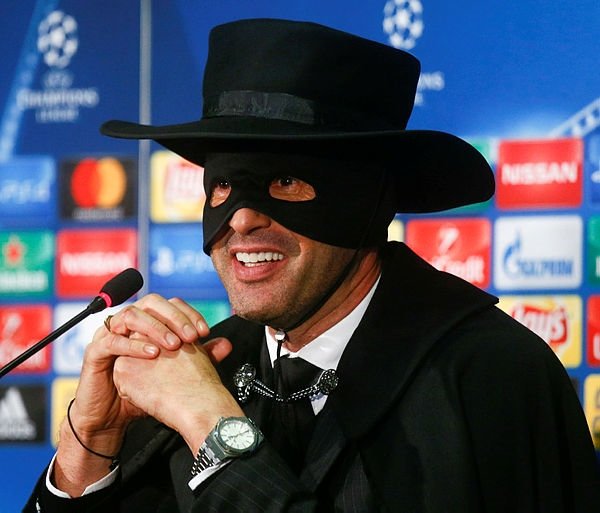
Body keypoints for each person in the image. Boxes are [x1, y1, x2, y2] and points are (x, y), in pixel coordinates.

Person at [25, 18, 600, 513]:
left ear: (363, 205)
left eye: (284, 182)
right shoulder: (199, 367)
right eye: (222, 186)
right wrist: (89, 443)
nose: (241, 219)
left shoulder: (490, 378)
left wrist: (212, 428)